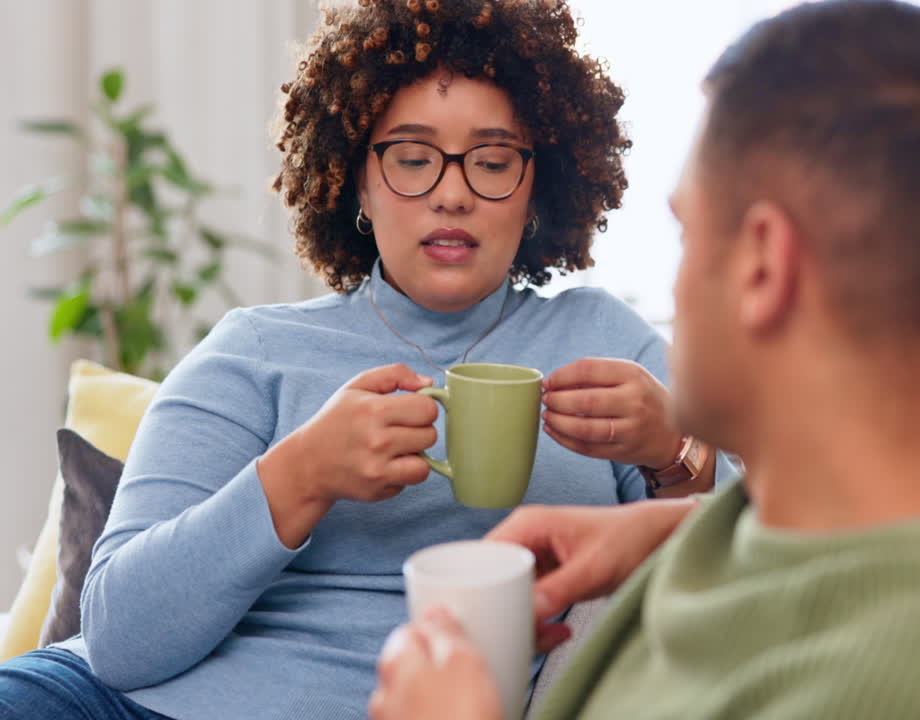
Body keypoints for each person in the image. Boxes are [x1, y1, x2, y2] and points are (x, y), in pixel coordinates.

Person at [0, 1, 718, 718]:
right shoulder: (254, 349)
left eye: (493, 162)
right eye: (412, 158)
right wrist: (300, 476)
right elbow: (119, 637)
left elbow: (754, 590)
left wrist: (677, 452)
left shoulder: (607, 340)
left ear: (538, 188)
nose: (453, 193)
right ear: (358, 184)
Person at [369, 1, 920, 719]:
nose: (677, 283)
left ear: (763, 266)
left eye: (686, 234)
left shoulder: (868, 689)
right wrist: (681, 525)